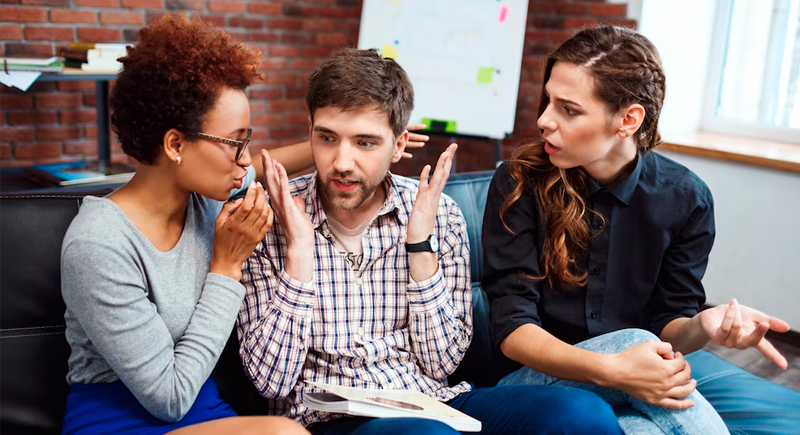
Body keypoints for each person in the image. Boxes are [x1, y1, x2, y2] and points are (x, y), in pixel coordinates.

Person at [237, 47, 625, 435]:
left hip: (432, 402)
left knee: (580, 414)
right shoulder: (270, 218)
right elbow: (272, 382)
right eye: (327, 138)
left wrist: (420, 245)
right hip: (332, 421)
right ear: (310, 132)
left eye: (365, 143)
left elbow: (441, 365)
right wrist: (300, 252)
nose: (342, 161)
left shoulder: (438, 213)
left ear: (400, 143)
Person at [481, 25, 791, 434]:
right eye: (549, 101)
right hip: (535, 383)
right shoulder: (518, 182)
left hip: (629, 384)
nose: (543, 120)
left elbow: (672, 324)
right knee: (634, 343)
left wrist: (704, 325)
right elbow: (512, 328)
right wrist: (616, 368)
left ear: (628, 120)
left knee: (642, 428)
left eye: (568, 109)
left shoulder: (687, 199)